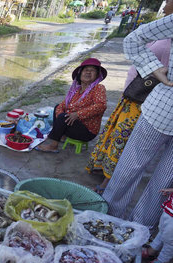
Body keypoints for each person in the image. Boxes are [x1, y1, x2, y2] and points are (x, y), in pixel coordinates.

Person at [86, 0, 173, 194]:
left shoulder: (169, 41)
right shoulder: (162, 29)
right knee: (115, 137)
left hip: (144, 100)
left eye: (169, 0)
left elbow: (163, 70)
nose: (165, 3)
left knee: (123, 145)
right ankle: (104, 174)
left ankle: (107, 187)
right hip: (132, 95)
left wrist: (155, 71)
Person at [102, 14, 173, 230]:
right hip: (162, 108)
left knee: (161, 181)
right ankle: (127, 228)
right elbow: (133, 40)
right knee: (138, 172)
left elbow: (133, 40)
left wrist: (153, 67)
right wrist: (155, 68)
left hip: (162, 106)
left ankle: (118, 227)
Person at [35, 58, 107, 152]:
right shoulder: (76, 91)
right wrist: (60, 121)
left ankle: (53, 146)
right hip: (73, 125)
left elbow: (101, 106)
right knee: (58, 108)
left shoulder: (98, 88)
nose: (88, 73)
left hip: (86, 131)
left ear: (97, 75)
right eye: (86, 70)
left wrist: (78, 114)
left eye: (92, 70)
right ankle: (61, 135)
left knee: (63, 117)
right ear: (80, 73)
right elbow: (62, 105)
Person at [141, 187, 173, 263]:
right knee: (162, 229)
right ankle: (153, 248)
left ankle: (163, 260)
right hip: (170, 208)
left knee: (170, 239)